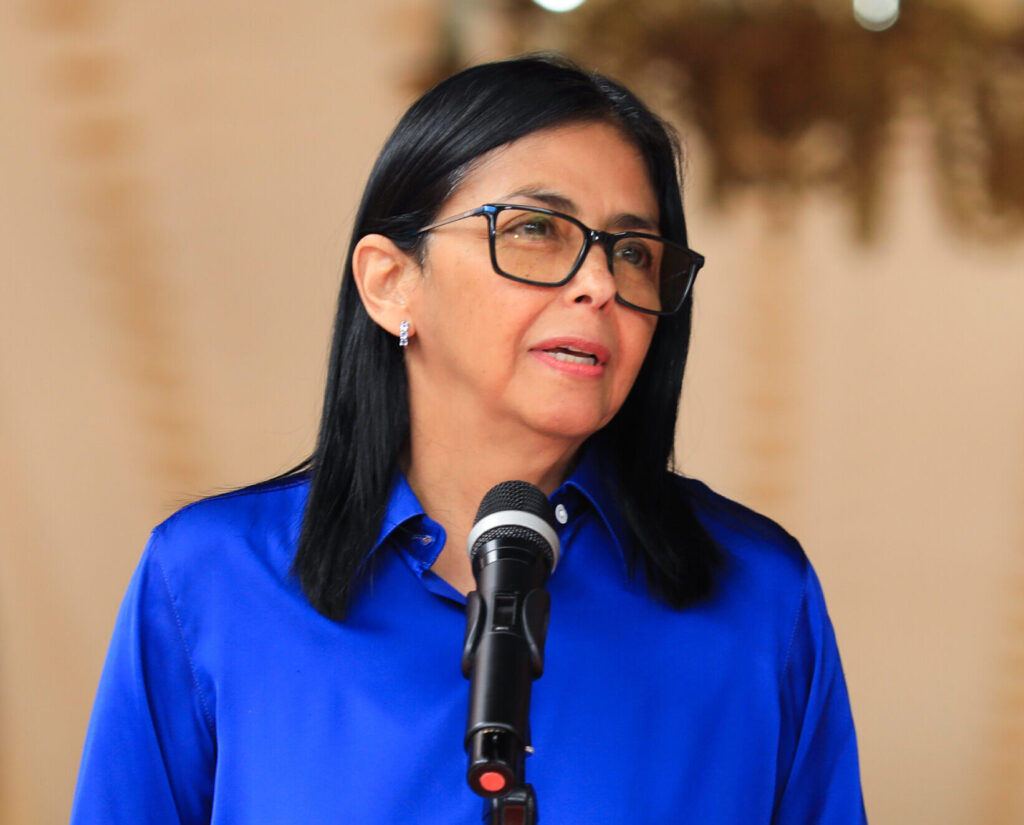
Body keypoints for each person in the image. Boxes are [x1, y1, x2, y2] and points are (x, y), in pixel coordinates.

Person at [70, 56, 867, 824]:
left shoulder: (759, 599)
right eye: (535, 228)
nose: (599, 284)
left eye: (632, 252)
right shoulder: (211, 581)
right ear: (390, 282)